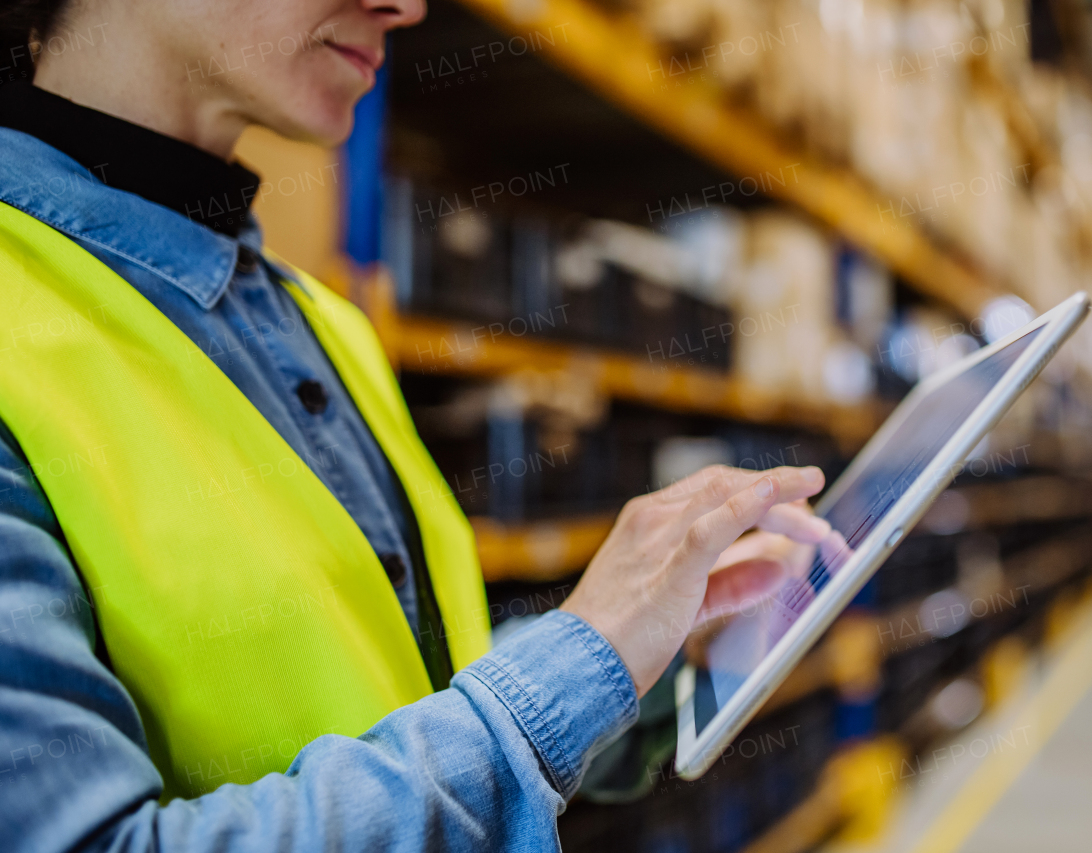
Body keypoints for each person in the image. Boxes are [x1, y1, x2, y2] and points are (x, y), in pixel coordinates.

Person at [0, 1, 832, 849]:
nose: (408, 5)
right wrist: (577, 663)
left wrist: (643, 652)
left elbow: (411, 689)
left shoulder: (322, 322)